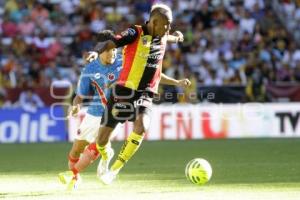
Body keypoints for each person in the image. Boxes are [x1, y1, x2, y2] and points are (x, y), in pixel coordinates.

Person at [91, 3, 191, 184]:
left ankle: (114, 171)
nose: (168, 28)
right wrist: (96, 51)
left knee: (141, 127)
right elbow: (114, 41)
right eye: (166, 24)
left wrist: (177, 37)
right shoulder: (135, 32)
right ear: (153, 22)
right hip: (123, 91)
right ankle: (106, 157)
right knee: (101, 140)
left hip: (146, 93)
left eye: (170, 25)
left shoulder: (162, 36)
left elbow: (170, 37)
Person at [58, 30, 122, 190]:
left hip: (116, 113)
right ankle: (77, 176)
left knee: (95, 147)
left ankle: (72, 175)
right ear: (100, 50)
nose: (113, 53)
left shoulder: (123, 62)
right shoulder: (90, 69)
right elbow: (80, 95)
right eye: (108, 50)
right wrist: (75, 106)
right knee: (76, 150)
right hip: (93, 113)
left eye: (115, 49)